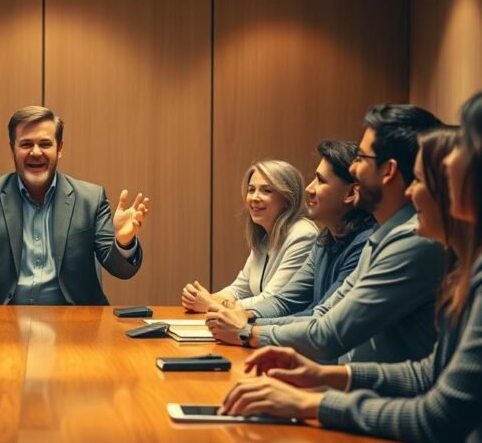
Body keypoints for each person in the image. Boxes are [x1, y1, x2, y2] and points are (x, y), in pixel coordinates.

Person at [219, 85, 482, 443]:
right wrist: (324, 375)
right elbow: (430, 372)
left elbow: (438, 415)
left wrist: (310, 404)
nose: (447, 159)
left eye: (466, 144)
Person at [207, 104, 444, 364]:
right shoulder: (378, 237)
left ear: (388, 171)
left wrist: (247, 331)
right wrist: (246, 320)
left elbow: (329, 334)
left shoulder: (411, 242)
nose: (354, 169)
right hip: (351, 383)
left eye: (361, 158)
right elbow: (322, 314)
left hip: (370, 395)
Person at [0, 105, 149, 305]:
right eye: (26, 144)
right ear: (12, 149)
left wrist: (123, 242)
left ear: (60, 148)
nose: (35, 152)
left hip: (76, 328)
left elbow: (121, 270)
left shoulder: (90, 199)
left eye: (45, 144)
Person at [189, 141, 376, 325]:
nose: (309, 189)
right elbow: (284, 301)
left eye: (320, 180)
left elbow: (323, 318)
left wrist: (245, 327)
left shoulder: (362, 245)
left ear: (350, 193)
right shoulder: (325, 240)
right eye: (251, 189)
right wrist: (245, 316)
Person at [182, 159, 319, 312]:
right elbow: (239, 289)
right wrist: (206, 298)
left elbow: (272, 300)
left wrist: (212, 306)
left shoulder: (303, 235)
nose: (254, 197)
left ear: (288, 199)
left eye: (266, 190)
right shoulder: (266, 237)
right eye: (251, 190)